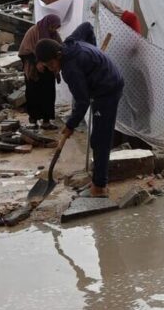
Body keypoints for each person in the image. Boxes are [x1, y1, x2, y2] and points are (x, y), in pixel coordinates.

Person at [35, 22, 123, 198]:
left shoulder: (70, 69)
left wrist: (70, 125)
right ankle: (98, 179)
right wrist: (94, 54)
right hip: (103, 81)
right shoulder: (70, 41)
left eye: (51, 64)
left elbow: (82, 103)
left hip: (108, 88)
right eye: (48, 66)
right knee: (97, 138)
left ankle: (100, 187)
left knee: (100, 139)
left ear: (58, 54)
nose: (52, 69)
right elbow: (88, 26)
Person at [18, 14, 61, 130]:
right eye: (52, 27)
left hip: (48, 71)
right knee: (33, 95)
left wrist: (56, 68)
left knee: (48, 95)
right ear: (48, 24)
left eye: (56, 27)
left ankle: (46, 122)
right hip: (34, 70)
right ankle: (33, 121)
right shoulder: (33, 32)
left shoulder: (54, 35)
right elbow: (24, 51)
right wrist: (37, 62)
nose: (54, 30)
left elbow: (59, 49)